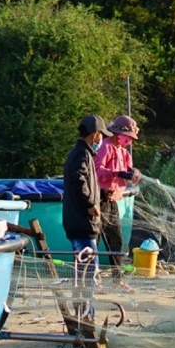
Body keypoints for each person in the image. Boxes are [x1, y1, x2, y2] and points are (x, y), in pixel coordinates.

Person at [62, 115, 111, 287]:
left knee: (84, 273)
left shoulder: (81, 153)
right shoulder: (82, 154)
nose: (102, 139)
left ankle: (84, 311)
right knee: (87, 274)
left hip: (80, 222)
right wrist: (90, 204)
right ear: (94, 134)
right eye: (101, 135)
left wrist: (103, 194)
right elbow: (78, 179)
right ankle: (84, 312)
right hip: (83, 224)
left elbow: (83, 181)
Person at [95, 115, 141, 271]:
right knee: (95, 238)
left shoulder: (125, 154)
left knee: (116, 239)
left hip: (113, 200)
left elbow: (129, 175)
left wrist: (134, 174)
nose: (129, 141)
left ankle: (117, 277)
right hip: (100, 198)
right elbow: (97, 170)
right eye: (127, 137)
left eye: (131, 138)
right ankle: (89, 276)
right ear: (117, 134)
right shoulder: (105, 147)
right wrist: (116, 173)